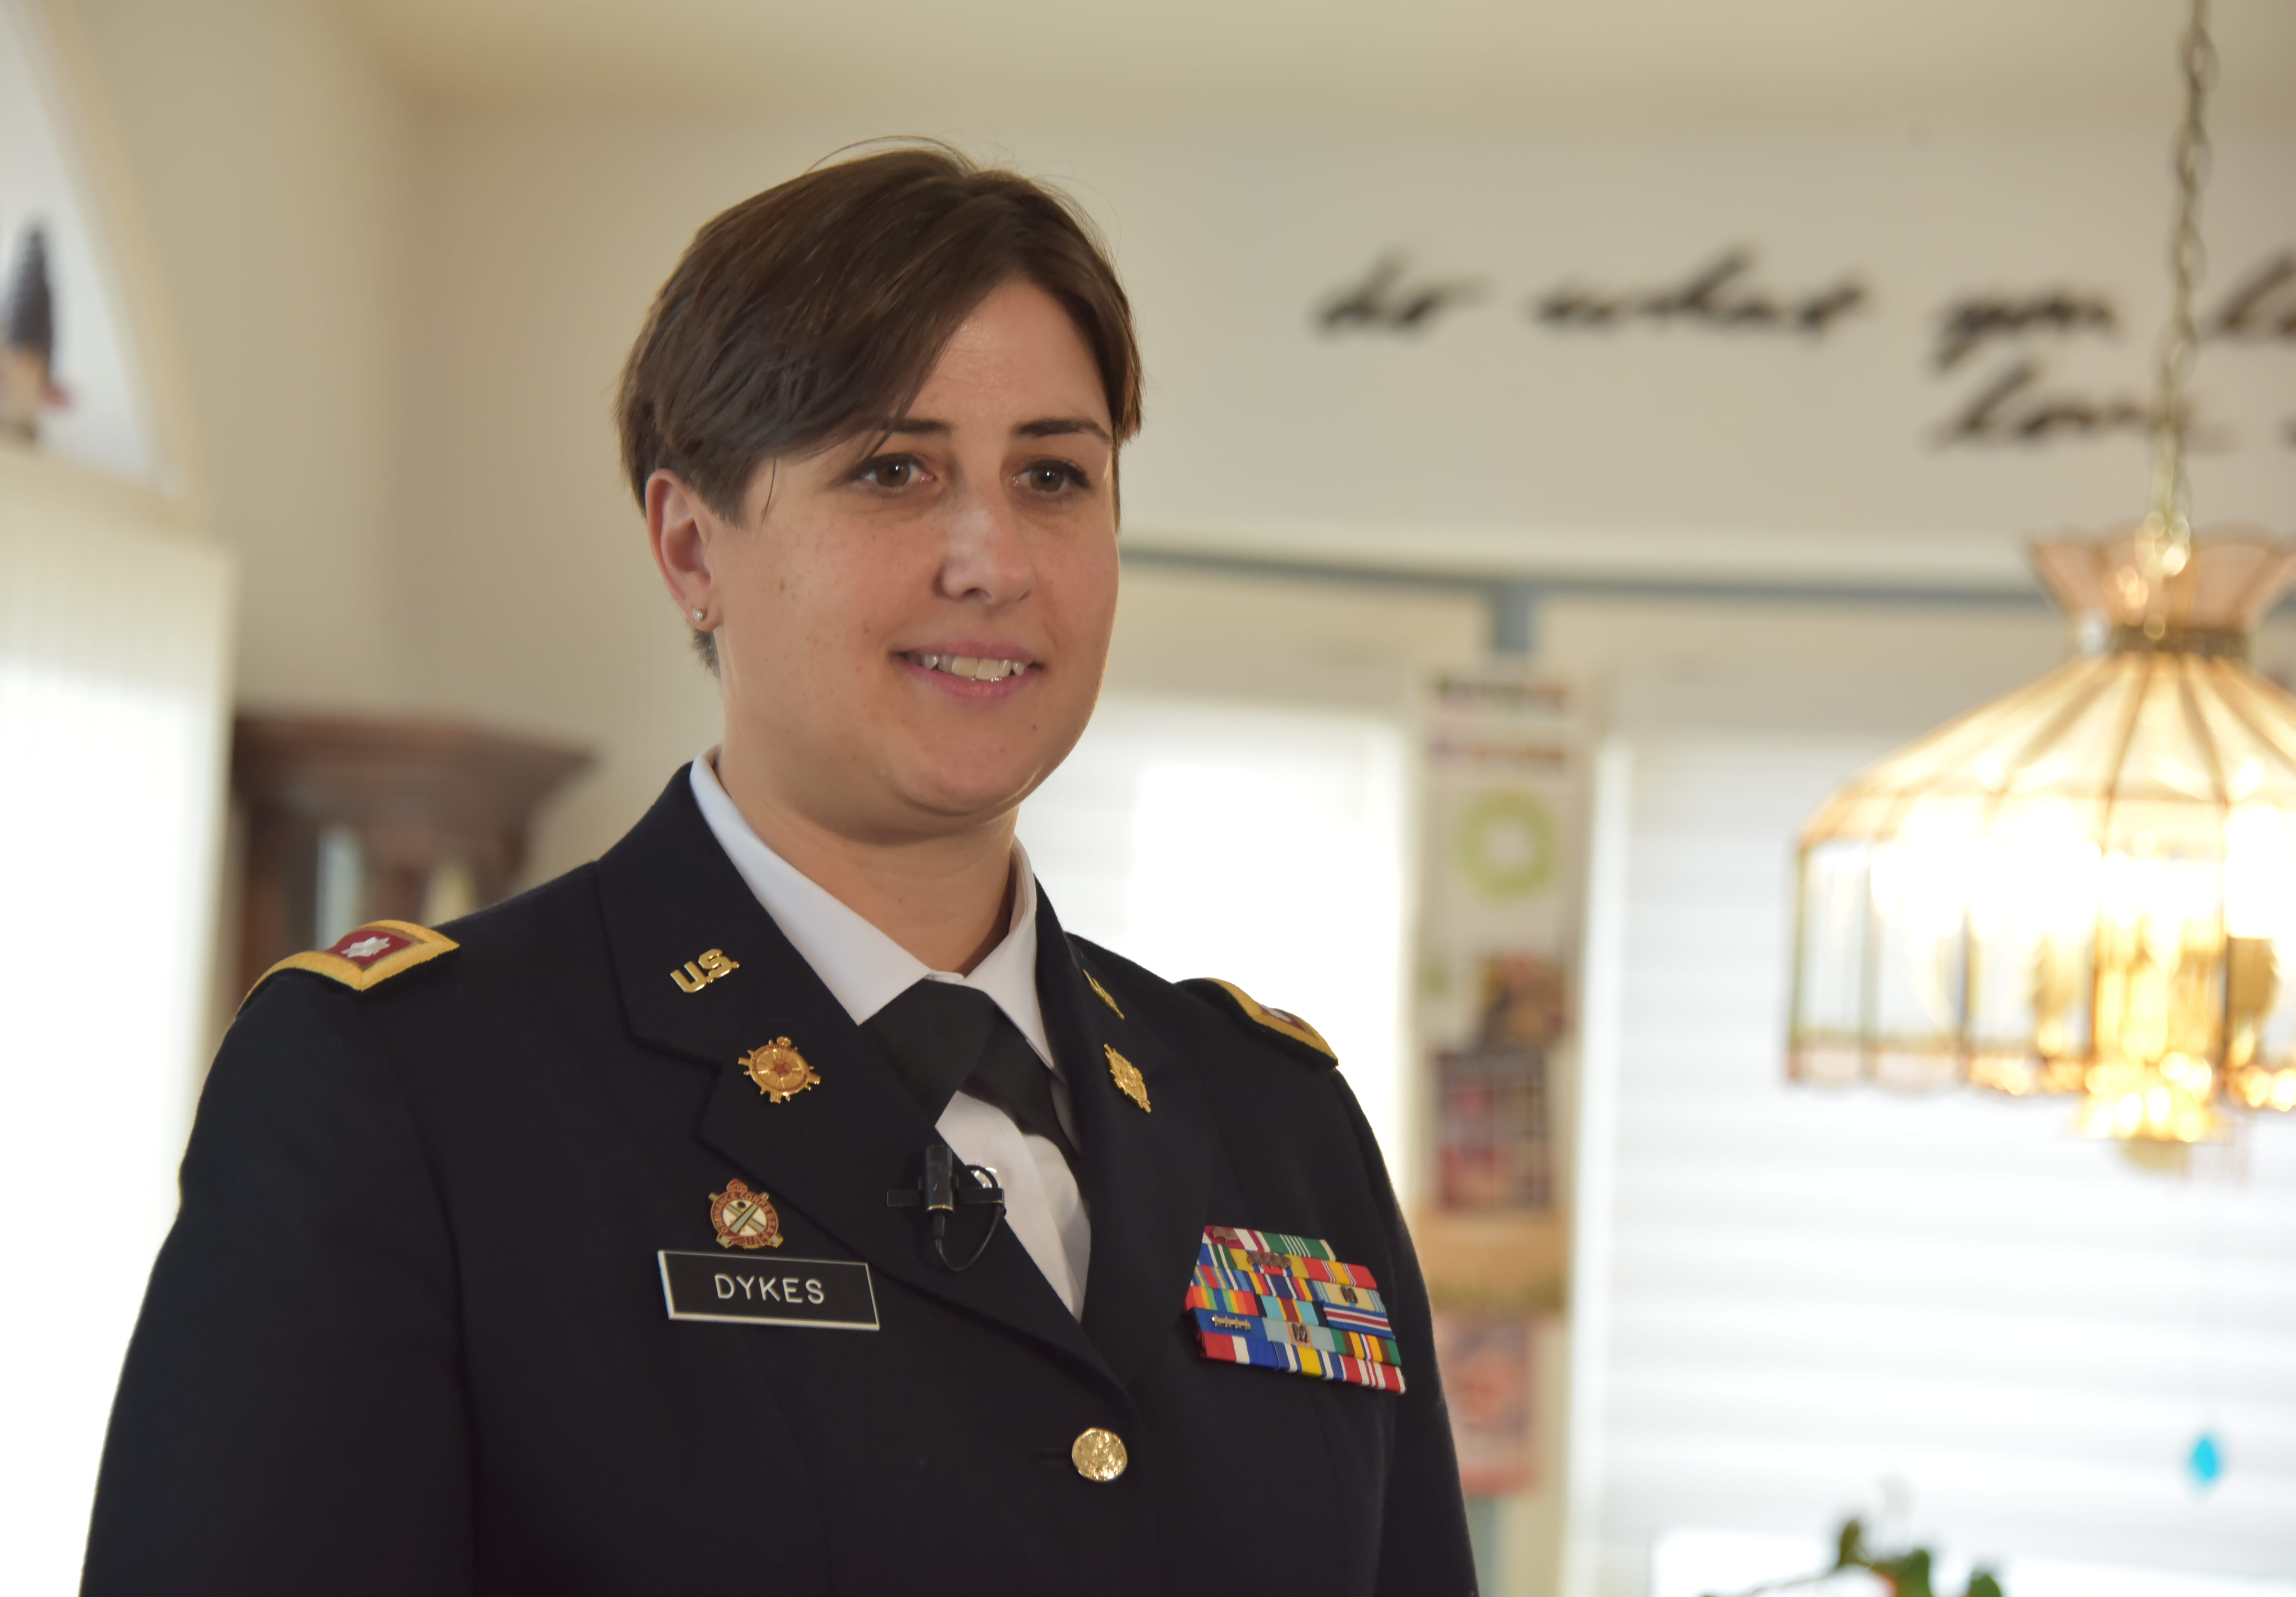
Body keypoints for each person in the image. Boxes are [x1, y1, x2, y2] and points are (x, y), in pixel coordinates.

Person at [82, 143, 1475, 1596]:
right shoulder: (415, 1094)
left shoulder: (1280, 1126)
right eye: (893, 470)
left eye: (1054, 475)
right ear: (694, 549)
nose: (992, 558)